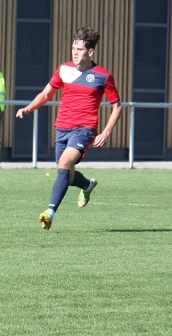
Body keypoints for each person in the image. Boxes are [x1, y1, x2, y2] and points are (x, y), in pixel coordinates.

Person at [16, 26, 121, 230]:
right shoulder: (64, 69)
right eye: (73, 48)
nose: (75, 52)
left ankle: (50, 212)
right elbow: (45, 94)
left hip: (85, 129)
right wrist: (28, 108)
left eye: (79, 49)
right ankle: (87, 185)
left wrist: (106, 132)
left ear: (90, 52)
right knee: (66, 173)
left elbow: (117, 106)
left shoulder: (103, 76)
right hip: (62, 128)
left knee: (64, 163)